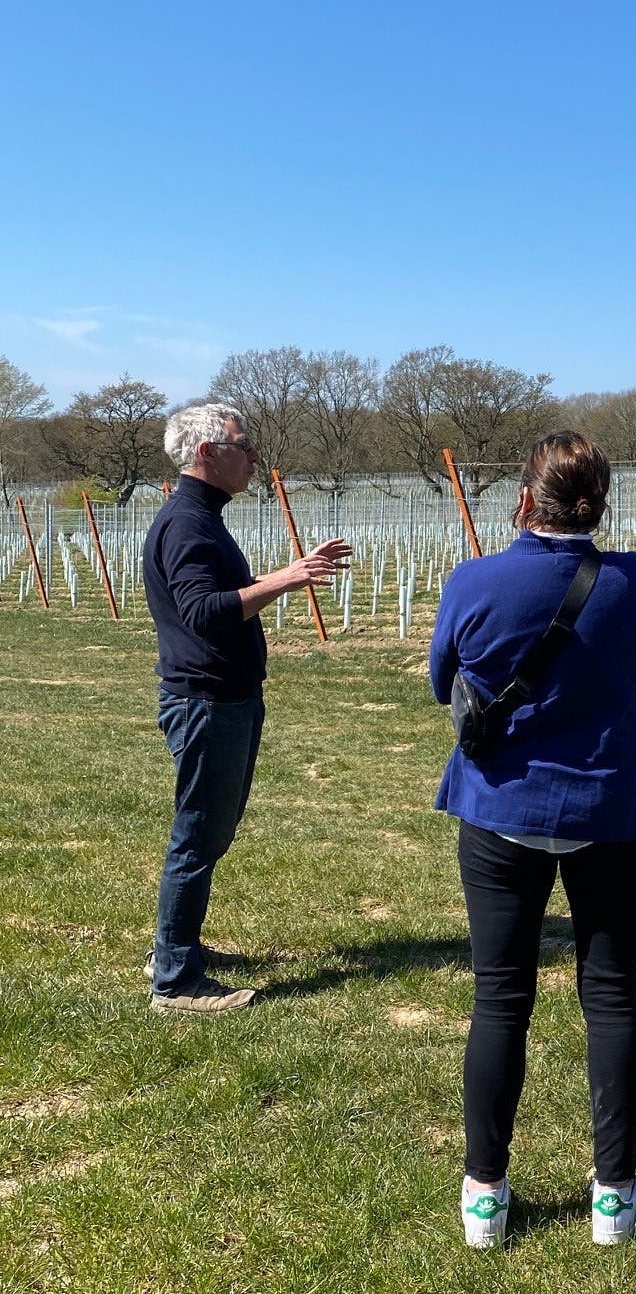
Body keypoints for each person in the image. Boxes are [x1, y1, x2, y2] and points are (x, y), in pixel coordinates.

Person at [430, 432, 636, 1251]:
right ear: (599, 502)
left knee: (501, 997)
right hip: (605, 811)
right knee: (610, 993)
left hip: (500, 810)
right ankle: (613, 1195)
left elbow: (440, 680)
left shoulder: (475, 580)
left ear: (525, 500)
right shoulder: (633, 579)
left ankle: (484, 1199)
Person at [143, 402, 350, 1014]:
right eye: (243, 443)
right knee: (198, 833)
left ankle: (174, 947)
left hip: (225, 696)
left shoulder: (202, 516)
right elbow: (202, 612)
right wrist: (289, 578)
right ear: (206, 453)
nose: (254, 454)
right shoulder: (187, 523)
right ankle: (175, 979)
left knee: (212, 829)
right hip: (206, 700)